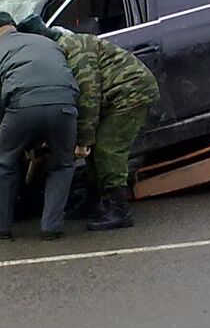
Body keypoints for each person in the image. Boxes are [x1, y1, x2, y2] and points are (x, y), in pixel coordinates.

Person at [17, 14, 156, 231]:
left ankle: (119, 209)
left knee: (108, 149)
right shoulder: (60, 51)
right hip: (113, 95)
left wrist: (82, 139)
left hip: (131, 92)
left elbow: (87, 98)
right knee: (96, 152)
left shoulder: (73, 51)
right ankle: (94, 201)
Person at [0, 12, 78, 240]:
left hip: (22, 108)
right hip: (65, 105)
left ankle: (1, 227)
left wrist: (15, 131)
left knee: (4, 163)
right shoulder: (48, 42)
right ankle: (51, 227)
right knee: (62, 164)